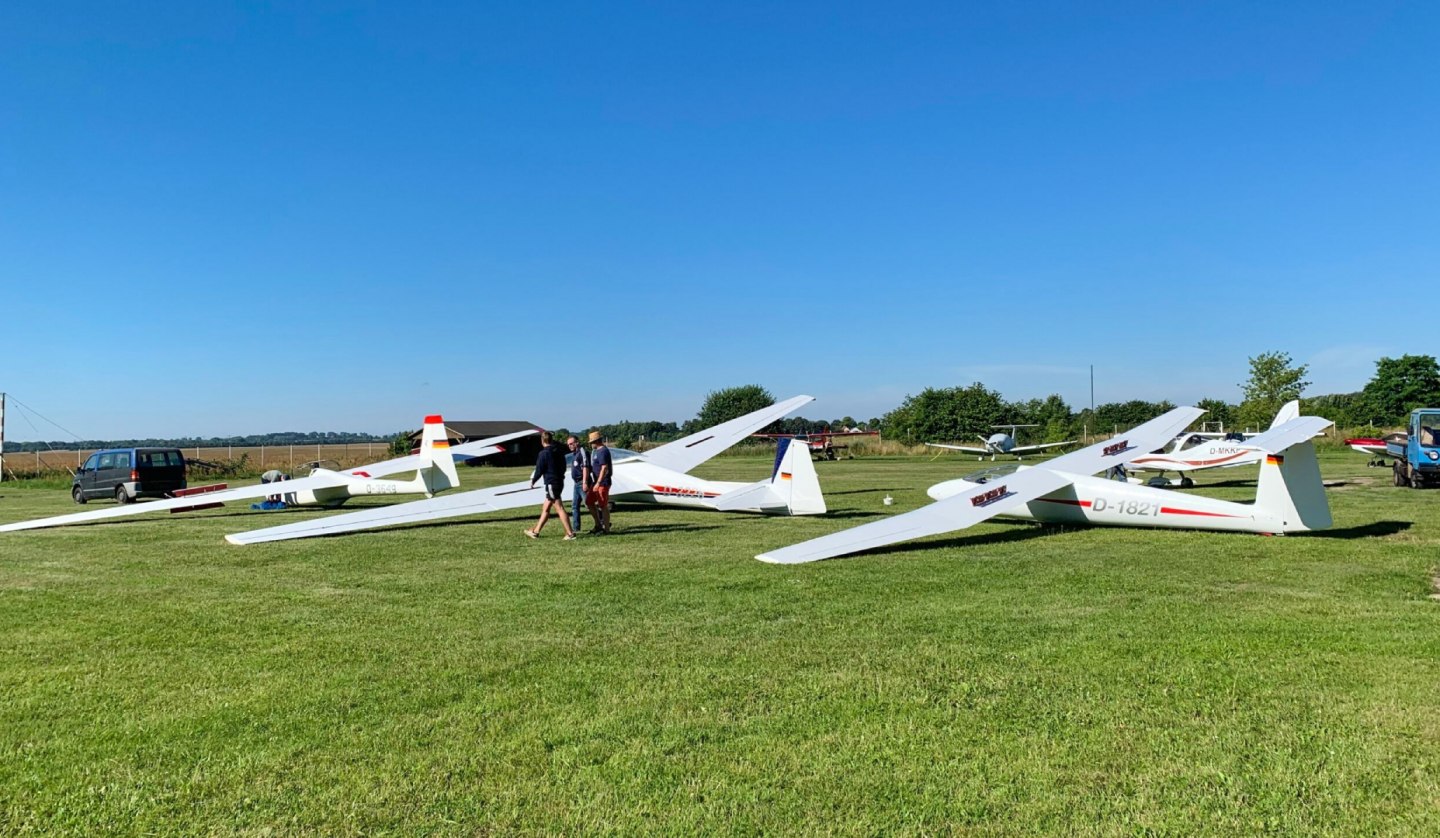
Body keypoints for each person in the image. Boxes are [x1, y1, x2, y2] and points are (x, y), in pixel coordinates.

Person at [526, 431, 575, 540]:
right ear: (552, 440)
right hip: (559, 482)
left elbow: (539, 469)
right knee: (546, 508)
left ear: (542, 441)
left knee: (559, 508)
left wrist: (533, 481)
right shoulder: (558, 452)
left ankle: (570, 533)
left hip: (551, 483)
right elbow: (563, 466)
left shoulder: (543, 454)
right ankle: (536, 531)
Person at [585, 430, 613, 534]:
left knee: (603, 505)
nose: (591, 444)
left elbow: (604, 468)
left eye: (592, 442)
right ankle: (598, 524)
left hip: (602, 482)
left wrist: (598, 482)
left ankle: (606, 529)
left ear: (596, 441)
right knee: (589, 502)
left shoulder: (603, 451)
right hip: (596, 482)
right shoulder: (597, 452)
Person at [566, 435, 591, 536]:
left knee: (589, 504)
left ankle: (602, 521)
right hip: (576, 483)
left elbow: (586, 467)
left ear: (577, 442)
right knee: (574, 506)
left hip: (582, 482)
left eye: (572, 443)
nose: (570, 446)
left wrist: (585, 482)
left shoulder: (582, 452)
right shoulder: (574, 454)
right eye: (568, 444)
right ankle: (576, 528)